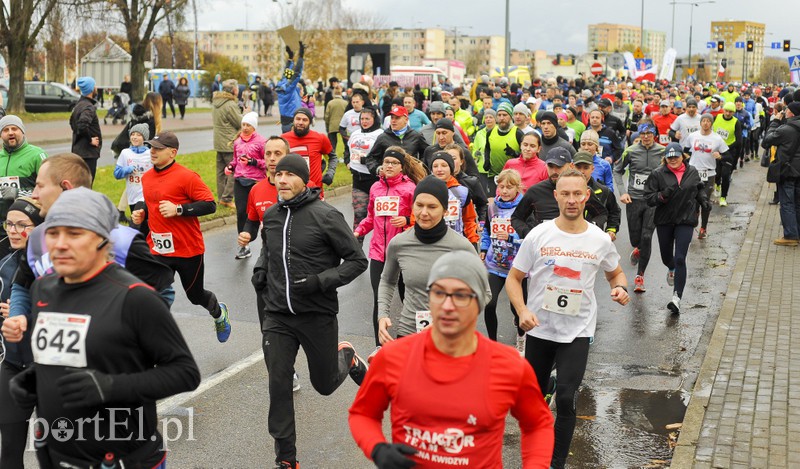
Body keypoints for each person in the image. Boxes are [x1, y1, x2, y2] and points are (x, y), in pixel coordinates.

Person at [7, 188, 200, 468]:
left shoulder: (136, 297)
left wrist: (111, 387)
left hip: (123, 457)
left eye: (74, 234)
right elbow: (73, 353)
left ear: (101, 240)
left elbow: (185, 373)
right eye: (53, 233)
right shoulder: (42, 289)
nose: (59, 244)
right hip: (57, 453)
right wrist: (36, 379)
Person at [349, 250, 555, 468]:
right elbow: (363, 414)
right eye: (439, 293)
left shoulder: (508, 365)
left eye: (461, 295)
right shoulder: (393, 357)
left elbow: (537, 425)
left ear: (478, 302)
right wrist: (377, 448)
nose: (448, 305)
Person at [506, 168, 630, 469]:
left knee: (565, 397)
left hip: (577, 330)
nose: (572, 200)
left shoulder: (599, 239)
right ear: (556, 196)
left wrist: (620, 288)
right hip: (540, 330)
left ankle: (556, 462)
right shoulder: (539, 234)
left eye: (578, 193)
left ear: (587, 196)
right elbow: (514, 278)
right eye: (566, 193)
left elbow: (615, 273)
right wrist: (523, 310)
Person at [250, 154, 368, 469]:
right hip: (278, 316)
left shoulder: (326, 216)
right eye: (278, 173)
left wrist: (320, 281)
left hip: (317, 314)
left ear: (305, 180)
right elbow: (267, 249)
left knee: (325, 384)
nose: (282, 179)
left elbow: (357, 261)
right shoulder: (272, 216)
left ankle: (348, 357)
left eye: (290, 174)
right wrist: (261, 269)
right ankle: (286, 458)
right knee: (278, 382)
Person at [131, 131, 232, 342]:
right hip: (158, 248)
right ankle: (150, 335)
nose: (153, 151)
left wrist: (179, 210)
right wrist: (140, 211)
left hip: (188, 250)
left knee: (195, 296)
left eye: (158, 148)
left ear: (172, 152)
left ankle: (219, 312)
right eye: (152, 147)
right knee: (151, 291)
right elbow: (148, 202)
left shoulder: (187, 177)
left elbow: (210, 205)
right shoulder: (148, 176)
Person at [377, 175, 478, 343]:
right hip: (409, 331)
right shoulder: (399, 243)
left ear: (445, 210)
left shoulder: (461, 246)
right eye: (419, 205)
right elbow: (387, 281)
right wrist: (382, 316)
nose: (424, 213)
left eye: (432, 207)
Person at [354, 147, 425, 354]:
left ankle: (414, 340)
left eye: (394, 163)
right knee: (379, 299)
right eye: (386, 163)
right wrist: (358, 231)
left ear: (402, 167)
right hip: (378, 253)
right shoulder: (375, 187)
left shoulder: (410, 188)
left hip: (403, 252)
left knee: (408, 298)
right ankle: (379, 345)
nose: (389, 166)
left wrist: (406, 220)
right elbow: (370, 217)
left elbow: (421, 218)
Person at [0, 197, 43, 468]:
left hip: (50, 369)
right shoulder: (4, 265)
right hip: (14, 366)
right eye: (9, 224)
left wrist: (24, 316)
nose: (13, 231)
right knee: (9, 451)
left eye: (22, 225)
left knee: (56, 452)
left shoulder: (53, 265)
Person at [644, 143, 709, 314]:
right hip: (664, 221)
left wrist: (703, 200)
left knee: (680, 258)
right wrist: (662, 196)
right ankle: (671, 268)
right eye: (669, 157)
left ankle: (676, 298)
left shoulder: (692, 171)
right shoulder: (657, 174)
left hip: (685, 220)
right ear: (665, 158)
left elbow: (698, 188)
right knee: (667, 257)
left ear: (683, 157)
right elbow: (649, 198)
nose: (673, 160)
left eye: (676, 156)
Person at [613, 122, 665, 293]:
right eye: (643, 133)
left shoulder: (662, 151)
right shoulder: (631, 151)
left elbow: (672, 171)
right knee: (636, 238)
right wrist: (622, 192)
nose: (646, 136)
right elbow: (617, 170)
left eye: (649, 133)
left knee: (647, 236)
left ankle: (640, 276)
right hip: (634, 199)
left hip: (653, 201)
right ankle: (637, 248)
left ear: (654, 134)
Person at [481, 169, 527, 349]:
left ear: (517, 188)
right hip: (495, 264)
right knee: (489, 304)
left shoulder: (524, 207)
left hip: (517, 267)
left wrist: (510, 237)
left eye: (509, 187)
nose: (505, 191)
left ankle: (521, 337)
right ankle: (492, 343)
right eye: (501, 187)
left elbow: (529, 236)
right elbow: (486, 229)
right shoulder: (492, 207)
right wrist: (484, 249)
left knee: (517, 308)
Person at [0, 115, 48, 257]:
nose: (10, 132)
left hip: (27, 224)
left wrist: (18, 193)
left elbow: (50, 190)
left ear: (22, 131)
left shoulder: (37, 155)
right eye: (5, 130)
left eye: (14, 128)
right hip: (4, 225)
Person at [227, 112, 266, 259]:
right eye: (243, 124)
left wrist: (253, 162)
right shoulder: (238, 142)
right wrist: (231, 167)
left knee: (261, 213)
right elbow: (235, 160)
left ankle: (268, 243)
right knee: (241, 213)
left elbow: (267, 163)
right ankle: (244, 246)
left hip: (256, 182)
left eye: (248, 125)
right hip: (240, 181)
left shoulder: (262, 142)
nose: (245, 127)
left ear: (254, 127)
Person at [511, 147, 572, 238]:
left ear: (571, 166)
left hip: (573, 244)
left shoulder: (580, 190)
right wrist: (529, 234)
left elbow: (600, 213)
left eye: (559, 167)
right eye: (551, 166)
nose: (554, 171)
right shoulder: (535, 191)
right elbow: (516, 218)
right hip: (543, 245)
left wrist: (589, 229)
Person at [761, 101, 800, 246]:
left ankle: (790, 236)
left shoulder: (786, 129)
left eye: (787, 110)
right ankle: (797, 233)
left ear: (792, 113)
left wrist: (775, 121)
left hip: (788, 171)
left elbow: (766, 141)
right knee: (798, 203)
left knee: (787, 203)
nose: (785, 111)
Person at [686, 114, 728, 239]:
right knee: (693, 201)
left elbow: (728, 156)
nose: (705, 123)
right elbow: (685, 150)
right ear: (700, 123)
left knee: (705, 201)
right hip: (694, 173)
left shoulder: (717, 138)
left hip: (709, 174)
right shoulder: (693, 136)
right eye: (703, 121)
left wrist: (720, 157)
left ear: (711, 123)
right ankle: (693, 221)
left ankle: (703, 228)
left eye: (708, 121)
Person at [282, 108, 338, 194]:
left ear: (310, 122)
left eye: (304, 120)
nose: (300, 122)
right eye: (298, 119)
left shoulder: (320, 138)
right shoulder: (283, 139)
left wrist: (330, 173)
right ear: (293, 120)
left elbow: (333, 157)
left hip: (314, 191)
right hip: (292, 191)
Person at [430, 151, 479, 244]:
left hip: (456, 243)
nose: (439, 169)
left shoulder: (462, 192)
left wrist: (473, 241)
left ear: (451, 168)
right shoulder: (425, 190)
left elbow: (469, 220)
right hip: (432, 243)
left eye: (444, 165)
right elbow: (415, 219)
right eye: (435, 166)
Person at [364, 105, 429, 173]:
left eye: (397, 118)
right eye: (392, 118)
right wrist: (378, 169)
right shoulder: (383, 137)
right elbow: (371, 158)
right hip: (390, 179)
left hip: (411, 177)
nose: (393, 121)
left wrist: (420, 165)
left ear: (406, 120)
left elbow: (427, 153)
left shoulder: (416, 136)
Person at [113, 123, 152, 230]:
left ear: (144, 138)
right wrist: (127, 169)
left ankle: (133, 243)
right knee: (143, 227)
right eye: (133, 134)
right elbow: (116, 174)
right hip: (132, 195)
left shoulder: (150, 154)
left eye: (138, 135)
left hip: (145, 195)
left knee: (136, 224)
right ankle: (147, 244)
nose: (134, 137)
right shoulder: (125, 153)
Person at [212, 79, 241, 209]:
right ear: (234, 90)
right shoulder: (230, 105)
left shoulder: (216, 103)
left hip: (219, 142)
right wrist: (245, 114)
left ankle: (221, 198)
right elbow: (239, 123)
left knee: (220, 172)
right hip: (229, 142)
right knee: (234, 170)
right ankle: (227, 198)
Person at [69, 76, 102, 181]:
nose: (96, 88)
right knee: (86, 185)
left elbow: (72, 123)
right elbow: (82, 125)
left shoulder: (78, 105)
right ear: (91, 89)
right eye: (94, 86)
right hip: (87, 154)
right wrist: (90, 140)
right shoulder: (88, 107)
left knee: (78, 184)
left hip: (78, 151)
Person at [712, 102, 742, 207]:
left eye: (731, 111)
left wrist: (727, 148)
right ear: (723, 110)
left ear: (734, 112)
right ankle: (717, 184)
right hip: (716, 150)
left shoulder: (736, 122)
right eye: (726, 111)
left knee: (725, 175)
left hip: (729, 151)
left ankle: (723, 197)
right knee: (717, 173)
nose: (728, 113)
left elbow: (739, 141)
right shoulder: (716, 117)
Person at [276, 43, 305, 133]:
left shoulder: (282, 84)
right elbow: (297, 74)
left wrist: (290, 58)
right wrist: (301, 56)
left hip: (286, 122)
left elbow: (286, 72)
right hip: (292, 122)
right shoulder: (288, 88)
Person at [324, 84, 347, 152]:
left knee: (332, 145)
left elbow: (327, 116)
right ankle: (346, 158)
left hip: (332, 126)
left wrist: (327, 127)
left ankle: (333, 158)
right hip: (343, 126)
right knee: (346, 144)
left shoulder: (330, 103)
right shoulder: (345, 103)